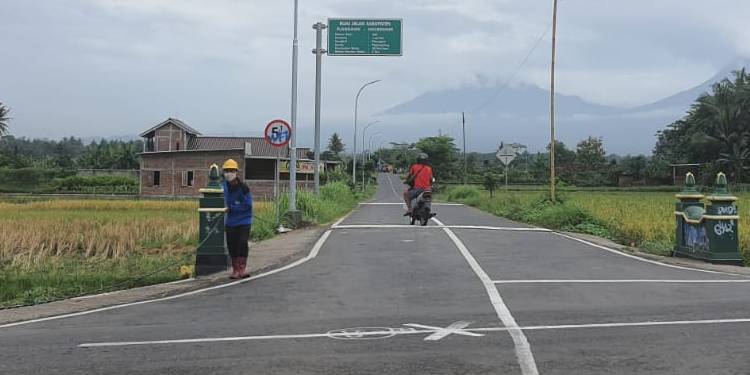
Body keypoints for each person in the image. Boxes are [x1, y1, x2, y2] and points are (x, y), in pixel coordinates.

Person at [222, 159, 253, 279]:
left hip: (244, 220)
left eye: (231, 171)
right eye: (226, 171)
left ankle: (242, 269)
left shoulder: (243, 188)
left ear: (236, 172)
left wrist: (233, 207)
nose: (228, 173)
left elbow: (248, 205)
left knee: (242, 243)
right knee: (232, 245)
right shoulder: (224, 187)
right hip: (230, 221)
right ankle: (235, 269)